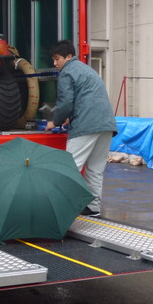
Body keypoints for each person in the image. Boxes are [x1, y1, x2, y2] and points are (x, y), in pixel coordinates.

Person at [45, 40, 117, 218]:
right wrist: (70, 116)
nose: (55, 63)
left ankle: (61, 211)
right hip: (106, 124)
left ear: (68, 57)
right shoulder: (87, 70)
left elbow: (65, 102)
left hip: (86, 125)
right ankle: (93, 208)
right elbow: (86, 97)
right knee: (95, 169)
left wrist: (55, 121)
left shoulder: (67, 72)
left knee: (70, 168)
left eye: (57, 59)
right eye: (53, 59)